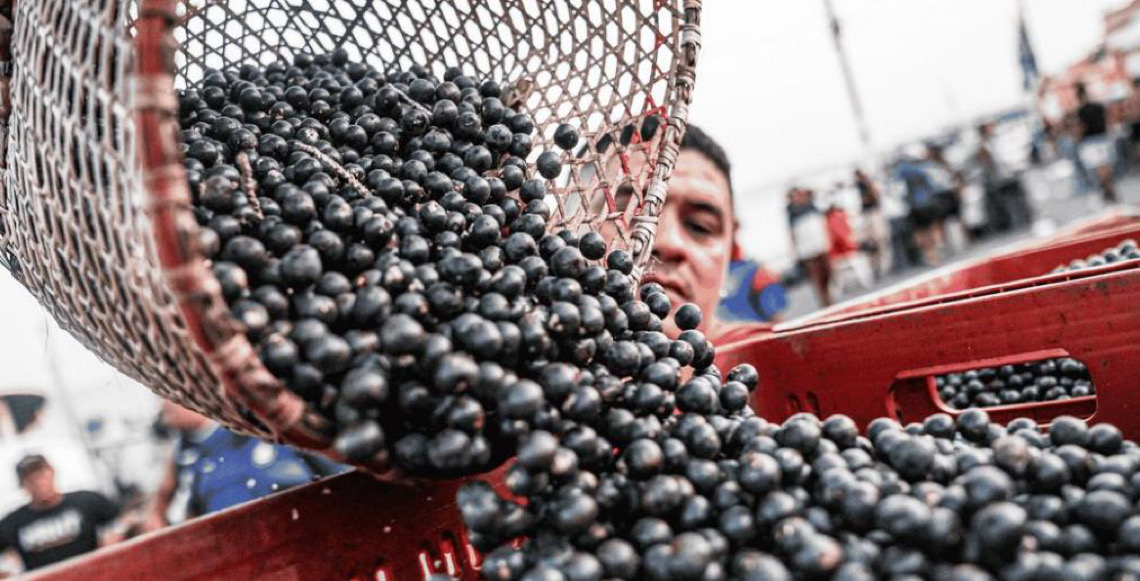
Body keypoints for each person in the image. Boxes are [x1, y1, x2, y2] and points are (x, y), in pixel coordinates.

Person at [143, 401, 345, 532]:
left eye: (171, 399)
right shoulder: (183, 455)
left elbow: (333, 469)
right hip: (239, 549)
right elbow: (175, 504)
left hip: (303, 529)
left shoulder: (254, 423)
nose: (165, 405)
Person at [0, 455, 120, 572]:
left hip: (94, 574)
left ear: (52, 472)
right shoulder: (13, 522)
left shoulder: (86, 500)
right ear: (22, 484)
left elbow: (124, 518)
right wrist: (7, 569)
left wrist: (115, 535)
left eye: (41, 475)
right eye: (31, 479)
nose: (38, 482)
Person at [786, 187, 832, 308]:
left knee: (826, 269)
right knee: (815, 273)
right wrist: (794, 251)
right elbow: (791, 233)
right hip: (806, 247)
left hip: (819, 243)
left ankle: (826, 293)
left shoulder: (812, 206)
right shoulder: (791, 212)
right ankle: (823, 298)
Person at [1075, 83, 1117, 203]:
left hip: (1090, 141)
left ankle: (1107, 190)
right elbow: (1109, 120)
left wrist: (1078, 139)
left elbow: (1080, 127)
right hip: (1103, 137)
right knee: (1106, 166)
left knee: (1100, 169)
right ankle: (1109, 189)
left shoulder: (1081, 111)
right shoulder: (1099, 106)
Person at [853, 168, 890, 277]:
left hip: (872, 214)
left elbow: (874, 197)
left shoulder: (866, 185)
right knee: (871, 243)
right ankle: (875, 266)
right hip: (868, 215)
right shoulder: (860, 187)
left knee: (879, 240)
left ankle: (880, 265)